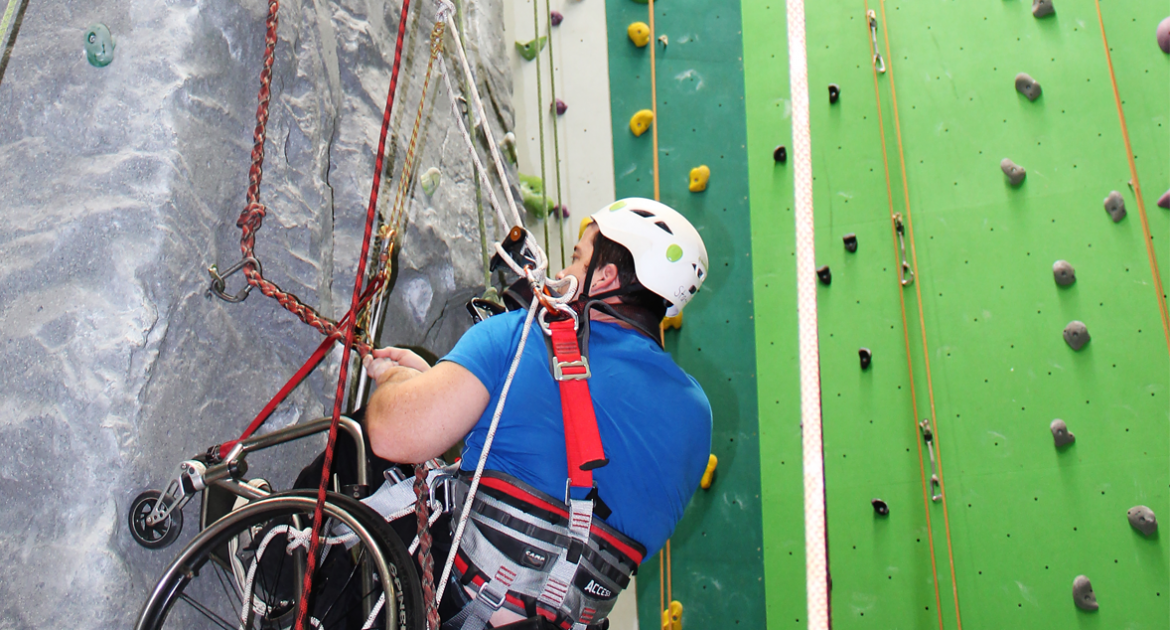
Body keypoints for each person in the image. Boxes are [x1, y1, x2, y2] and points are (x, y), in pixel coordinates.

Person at [362, 198, 712, 630]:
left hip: (455, 601)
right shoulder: (697, 417)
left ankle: (272, 584)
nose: (563, 273)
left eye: (577, 258)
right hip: (564, 619)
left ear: (605, 277)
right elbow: (555, 458)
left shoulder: (524, 334)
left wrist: (396, 381)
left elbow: (394, 434)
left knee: (357, 439)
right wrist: (439, 382)